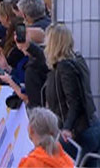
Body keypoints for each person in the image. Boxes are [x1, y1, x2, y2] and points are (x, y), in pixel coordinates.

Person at [43, 24, 100, 160]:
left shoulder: (65, 68)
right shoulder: (76, 61)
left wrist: (67, 128)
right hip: (89, 127)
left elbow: (75, 102)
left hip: (78, 132)